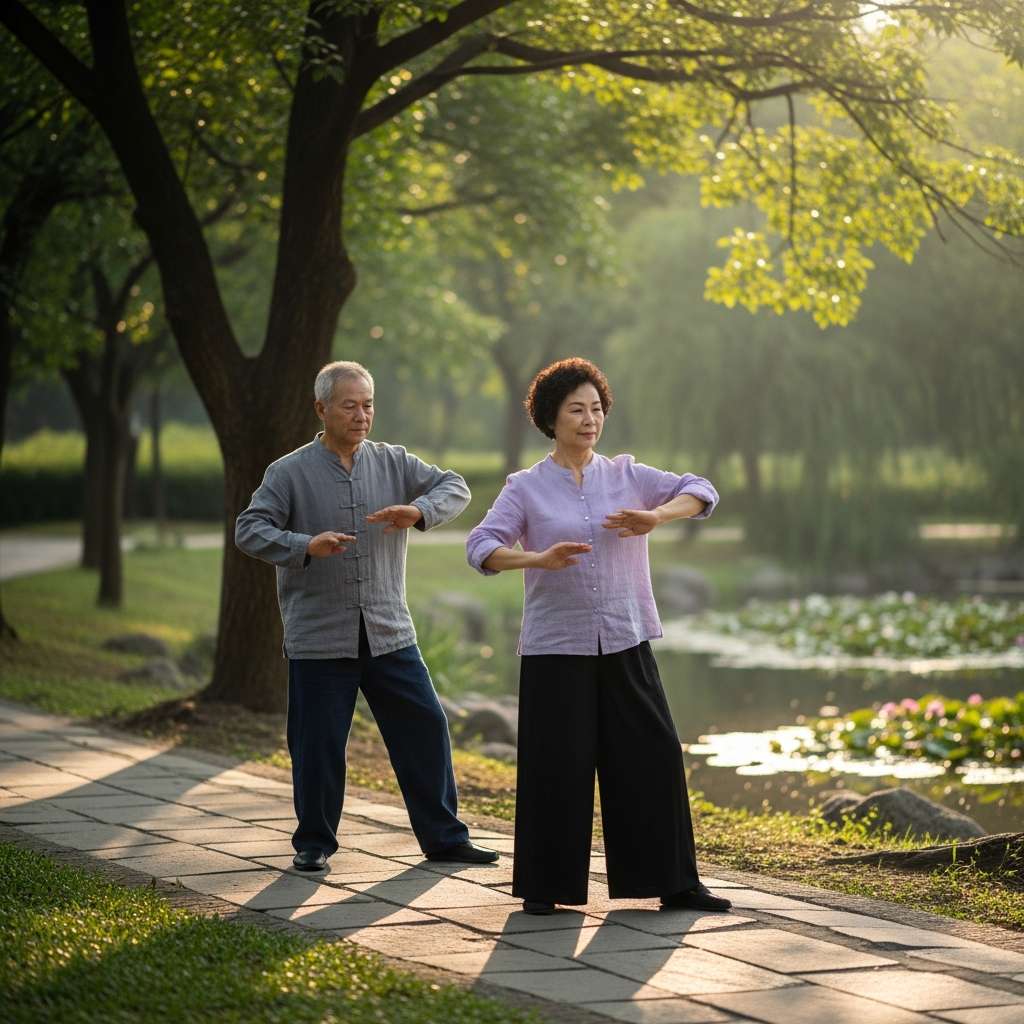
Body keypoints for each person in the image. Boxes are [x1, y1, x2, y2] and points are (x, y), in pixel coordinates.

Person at [466, 358, 731, 914]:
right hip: (555, 646)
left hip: (626, 638)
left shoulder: (629, 474)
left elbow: (701, 490)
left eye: (597, 409)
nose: (590, 420)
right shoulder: (526, 487)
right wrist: (537, 557)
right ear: (549, 417)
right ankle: (546, 887)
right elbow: (480, 546)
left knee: (652, 754)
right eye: (576, 410)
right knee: (556, 762)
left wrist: (658, 517)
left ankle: (675, 882)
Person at [236, 360, 496, 872]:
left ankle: (445, 838)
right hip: (319, 636)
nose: (361, 415)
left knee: (426, 725)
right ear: (322, 409)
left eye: (368, 405)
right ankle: (314, 843)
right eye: (350, 405)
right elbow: (249, 528)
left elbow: (455, 486)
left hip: (388, 631)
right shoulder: (287, 473)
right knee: (318, 745)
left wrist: (419, 512)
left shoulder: (394, 462)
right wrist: (303, 544)